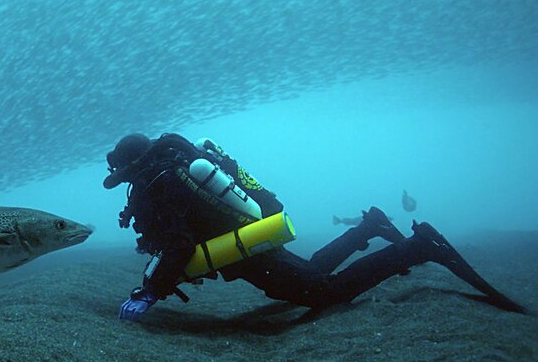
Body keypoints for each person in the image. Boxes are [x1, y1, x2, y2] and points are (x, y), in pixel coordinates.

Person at [103, 133, 524, 321]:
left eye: (120, 175)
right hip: (247, 235)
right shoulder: (175, 169)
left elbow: (176, 244)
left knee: (323, 292)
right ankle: (368, 228)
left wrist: (149, 293)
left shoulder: (154, 186)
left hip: (246, 250)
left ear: (129, 169)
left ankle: (421, 247)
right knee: (314, 272)